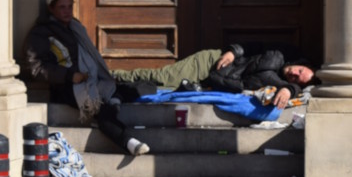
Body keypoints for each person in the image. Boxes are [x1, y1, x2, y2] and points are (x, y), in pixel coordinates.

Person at [23, 0, 151, 155]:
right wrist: (70, 76)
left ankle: (115, 100)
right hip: (66, 87)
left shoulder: (75, 27)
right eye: (62, 7)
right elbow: (36, 68)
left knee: (138, 88)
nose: (67, 11)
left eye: (70, 6)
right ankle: (129, 142)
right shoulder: (41, 33)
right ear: (51, 9)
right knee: (102, 109)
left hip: (89, 80)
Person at [113, 43, 317, 109]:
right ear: (300, 63)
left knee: (161, 89)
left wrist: (288, 89)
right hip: (210, 63)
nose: (294, 74)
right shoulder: (279, 53)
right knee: (161, 77)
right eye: (299, 70)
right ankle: (112, 75)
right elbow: (249, 45)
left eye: (296, 78)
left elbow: (297, 90)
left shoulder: (283, 84)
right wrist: (233, 52)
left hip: (212, 83)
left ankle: (114, 87)